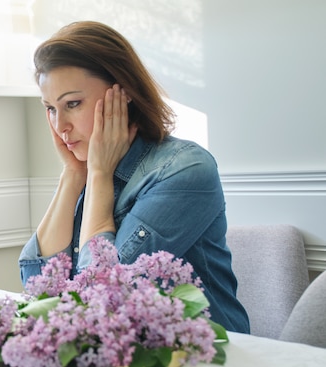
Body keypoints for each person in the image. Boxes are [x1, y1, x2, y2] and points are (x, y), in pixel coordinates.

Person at [18, 21, 250, 333]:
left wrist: (98, 174)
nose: (61, 126)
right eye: (50, 109)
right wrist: (73, 175)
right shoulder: (85, 169)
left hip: (207, 361)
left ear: (123, 92)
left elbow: (103, 296)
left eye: (72, 104)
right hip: (120, 362)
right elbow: (38, 290)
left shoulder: (185, 169)